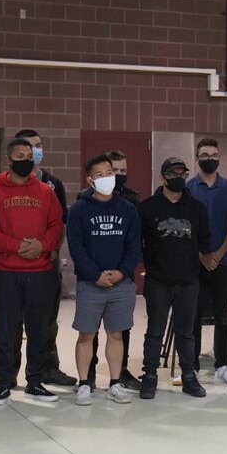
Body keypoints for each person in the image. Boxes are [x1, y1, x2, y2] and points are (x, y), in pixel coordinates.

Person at [0, 137, 63, 405]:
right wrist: (18, 246)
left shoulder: (46, 192)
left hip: (40, 271)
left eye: (29, 155)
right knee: (6, 330)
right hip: (5, 272)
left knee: (39, 329)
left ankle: (35, 382)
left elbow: (56, 226)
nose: (26, 160)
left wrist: (41, 246)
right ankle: (4, 382)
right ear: (9, 160)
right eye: (20, 155)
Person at [66, 154, 140, 406]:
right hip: (90, 284)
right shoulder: (78, 210)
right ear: (90, 180)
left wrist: (120, 273)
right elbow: (77, 249)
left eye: (110, 172)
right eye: (100, 175)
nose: (108, 177)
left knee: (116, 334)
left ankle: (115, 383)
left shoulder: (128, 209)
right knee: (86, 335)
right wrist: (95, 275)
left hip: (122, 284)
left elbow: (134, 247)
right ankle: (85, 383)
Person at [138, 158, 211, 399]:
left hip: (189, 281)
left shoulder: (197, 208)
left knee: (186, 332)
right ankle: (149, 375)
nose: (178, 176)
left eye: (182, 172)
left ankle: (189, 376)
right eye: (173, 172)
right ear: (162, 177)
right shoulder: (147, 207)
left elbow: (204, 242)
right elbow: (137, 241)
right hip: (158, 280)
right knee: (155, 330)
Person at [13, 129, 77, 388]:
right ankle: (9, 374)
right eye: (29, 147)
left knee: (47, 323)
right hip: (14, 264)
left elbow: (59, 225)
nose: (34, 151)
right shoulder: (5, 183)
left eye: (38, 146)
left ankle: (49, 368)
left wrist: (47, 250)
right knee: (14, 323)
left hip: (46, 262)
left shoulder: (53, 184)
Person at [187, 138, 227, 386]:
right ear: (196, 158)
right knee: (194, 317)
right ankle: (193, 366)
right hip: (195, 264)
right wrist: (203, 256)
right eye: (205, 154)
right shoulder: (188, 188)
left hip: (224, 262)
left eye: (214, 154)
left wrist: (218, 255)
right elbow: (186, 226)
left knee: (223, 316)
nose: (210, 158)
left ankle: (222, 364)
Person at [85, 149, 142, 391]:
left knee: (120, 328)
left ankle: (121, 371)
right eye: (112, 171)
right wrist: (96, 274)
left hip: (122, 275)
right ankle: (88, 372)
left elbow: (135, 240)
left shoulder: (132, 200)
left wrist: (122, 271)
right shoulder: (84, 201)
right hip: (94, 275)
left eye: (121, 172)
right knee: (91, 329)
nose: (116, 176)